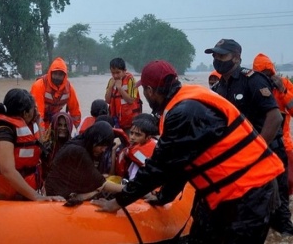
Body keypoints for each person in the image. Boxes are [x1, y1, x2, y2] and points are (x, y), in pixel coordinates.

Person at [91, 60, 284, 244]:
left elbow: (160, 165)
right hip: (227, 188)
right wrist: (164, 197)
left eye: (145, 90)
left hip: (251, 190)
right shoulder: (187, 99)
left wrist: (119, 201)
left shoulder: (183, 112)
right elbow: (180, 163)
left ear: (149, 90)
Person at [205, 39, 293, 235]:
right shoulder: (218, 88)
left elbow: (275, 117)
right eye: (215, 56)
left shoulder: (253, 80)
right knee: (249, 210)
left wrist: (255, 150)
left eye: (222, 55)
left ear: (236, 58)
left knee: (279, 213)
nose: (217, 60)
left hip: (268, 151)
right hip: (240, 158)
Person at [0, 88, 65, 202]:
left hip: (18, 194)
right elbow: (7, 170)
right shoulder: (2, 131)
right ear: (25, 113)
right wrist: (37, 197)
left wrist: (38, 123)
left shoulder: (28, 125)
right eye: (33, 109)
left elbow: (39, 149)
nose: (36, 111)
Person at [44, 121, 124, 201]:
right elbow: (102, 184)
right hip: (57, 197)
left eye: (105, 147)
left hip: (61, 191)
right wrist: (128, 190)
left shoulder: (82, 142)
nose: (103, 150)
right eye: (101, 146)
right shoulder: (79, 151)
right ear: (94, 140)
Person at [253, 53, 293, 197]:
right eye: (263, 75)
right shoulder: (252, 86)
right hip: (260, 143)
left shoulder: (284, 84)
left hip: (284, 144)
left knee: (288, 183)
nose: (267, 78)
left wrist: (283, 91)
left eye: (269, 74)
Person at [30, 57, 81, 133]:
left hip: (54, 121)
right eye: (55, 73)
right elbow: (38, 115)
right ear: (50, 73)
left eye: (60, 74)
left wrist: (79, 131)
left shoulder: (69, 88)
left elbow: (75, 112)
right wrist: (43, 136)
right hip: (36, 123)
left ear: (65, 76)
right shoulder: (39, 86)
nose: (57, 77)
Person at [104, 58, 142, 133]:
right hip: (116, 122)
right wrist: (110, 87)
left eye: (118, 72)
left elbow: (131, 100)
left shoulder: (130, 80)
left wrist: (119, 88)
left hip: (130, 123)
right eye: (113, 73)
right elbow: (107, 100)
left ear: (124, 71)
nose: (115, 75)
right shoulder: (111, 81)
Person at [41, 112, 74, 179]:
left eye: (65, 125)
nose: (62, 128)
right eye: (59, 125)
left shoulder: (73, 147)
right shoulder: (46, 146)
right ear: (54, 125)